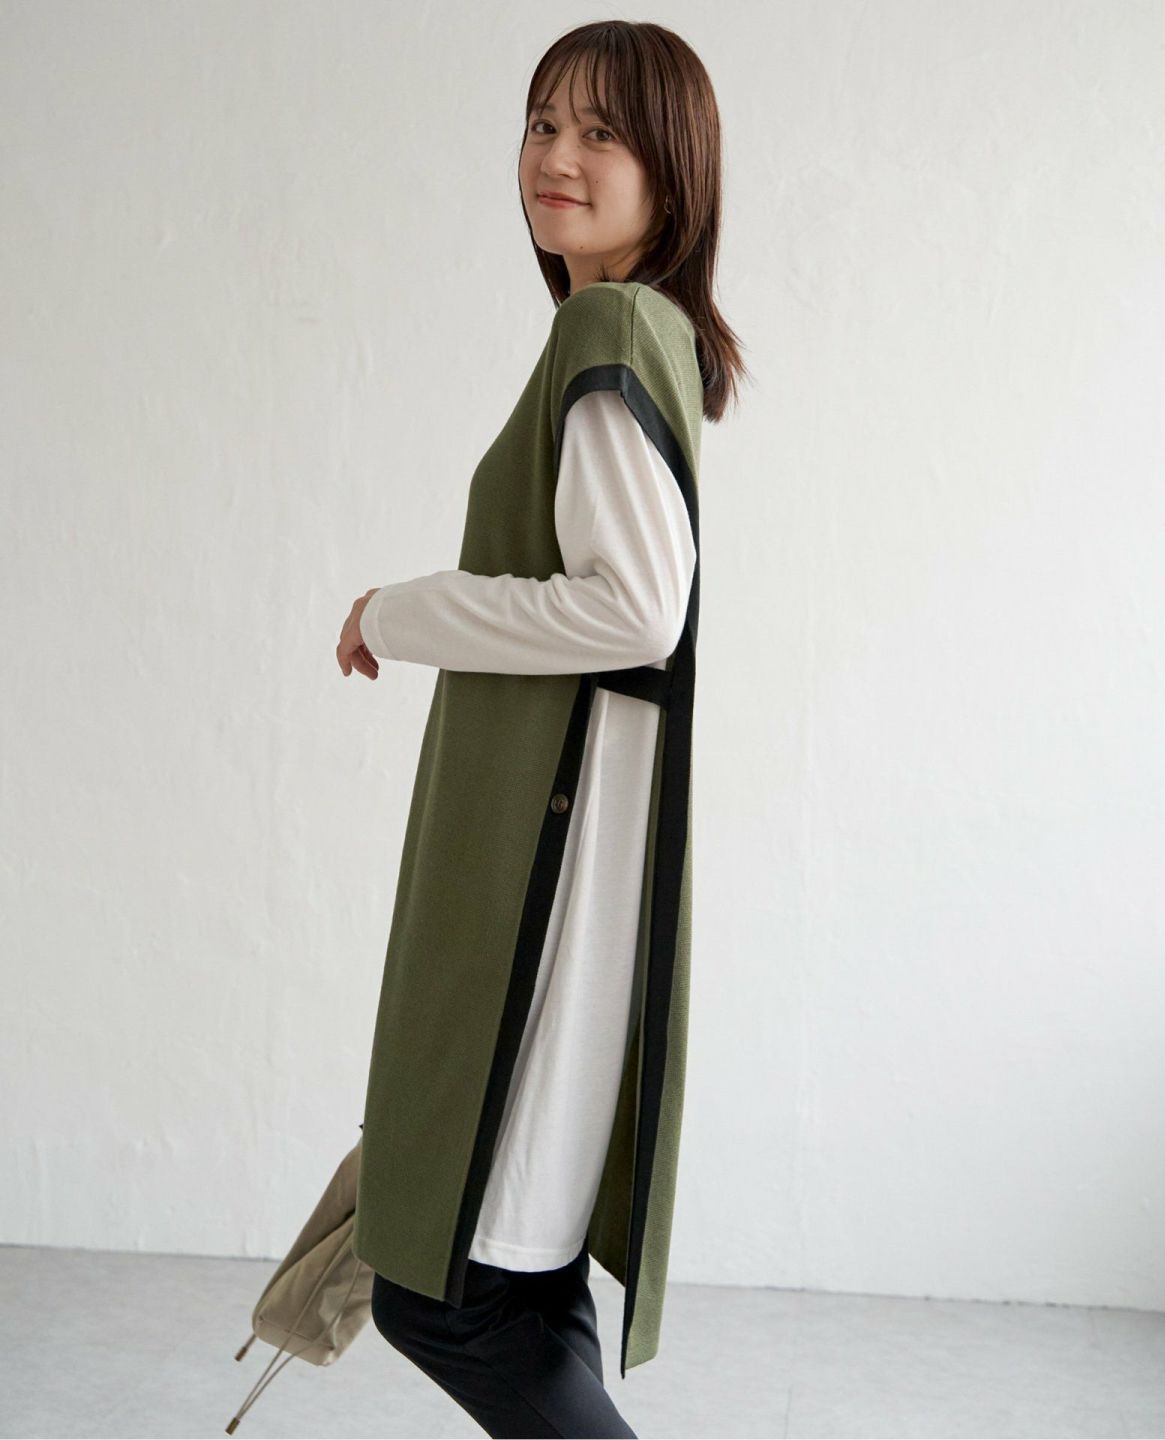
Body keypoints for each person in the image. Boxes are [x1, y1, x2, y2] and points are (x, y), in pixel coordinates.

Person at [334, 20, 746, 1439]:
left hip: (550, 885)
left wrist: (401, 611)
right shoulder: (645, 332)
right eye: (541, 124)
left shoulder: (609, 329)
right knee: (527, 1284)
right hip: (579, 860)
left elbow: (635, 609)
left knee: (445, 1298)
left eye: (600, 133)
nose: (556, 156)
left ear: (673, 173)